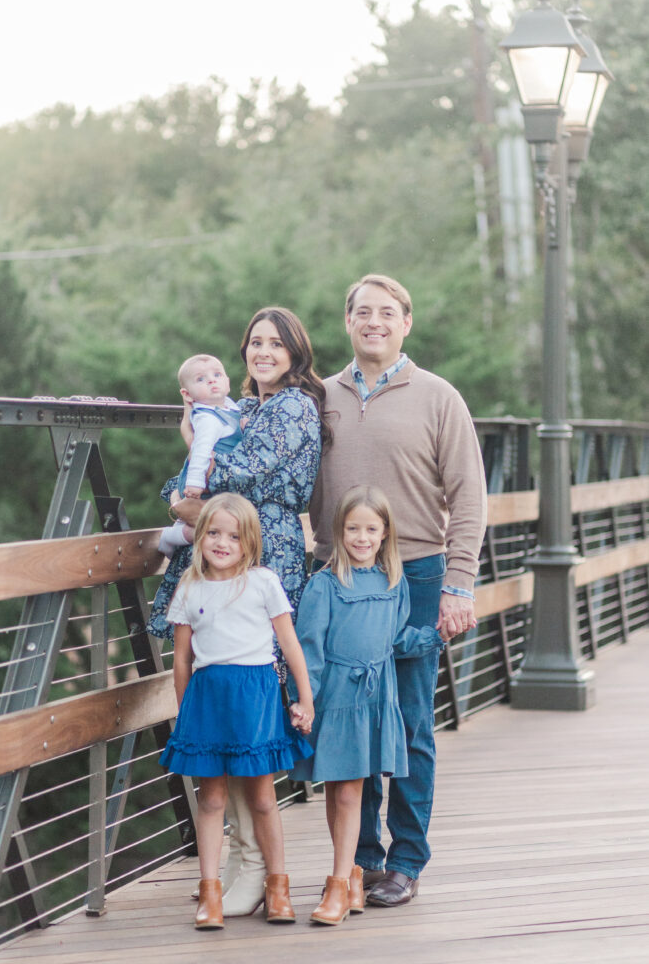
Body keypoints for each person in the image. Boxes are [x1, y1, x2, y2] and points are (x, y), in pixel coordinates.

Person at [309, 274, 487, 908]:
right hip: (340, 578)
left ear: (406, 323)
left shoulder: (439, 397)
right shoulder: (320, 396)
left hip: (416, 574)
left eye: (387, 312)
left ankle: (406, 860)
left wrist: (459, 584)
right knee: (350, 720)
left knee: (409, 725)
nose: (374, 321)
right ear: (347, 321)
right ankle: (358, 861)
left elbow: (468, 498)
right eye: (363, 311)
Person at [148, 307, 328, 915]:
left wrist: (190, 490)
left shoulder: (296, 406)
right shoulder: (243, 407)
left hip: (265, 548)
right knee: (215, 672)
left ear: (295, 352)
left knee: (261, 688)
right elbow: (189, 484)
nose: (263, 353)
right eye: (254, 342)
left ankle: (255, 866)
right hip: (223, 547)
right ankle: (238, 858)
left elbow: (238, 473)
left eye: (276, 344)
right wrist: (183, 493)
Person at [289, 485, 445, 926]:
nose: (361, 537)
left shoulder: (394, 584)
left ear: (384, 534)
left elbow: (397, 640)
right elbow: (309, 648)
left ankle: (342, 883)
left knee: (353, 788)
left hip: (376, 701)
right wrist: (304, 700)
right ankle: (351, 873)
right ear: (339, 532)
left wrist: (437, 635)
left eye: (371, 529)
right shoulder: (324, 585)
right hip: (337, 700)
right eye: (353, 528)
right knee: (338, 788)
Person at [159, 493, 315, 930]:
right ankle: (209, 891)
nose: (222, 543)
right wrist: (185, 713)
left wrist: (305, 698)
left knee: (263, 797)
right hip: (208, 699)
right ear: (200, 537)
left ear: (249, 542)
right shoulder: (189, 587)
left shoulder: (263, 582)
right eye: (213, 533)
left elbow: (289, 645)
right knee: (210, 798)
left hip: (256, 697)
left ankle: (278, 889)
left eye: (234, 535)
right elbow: (181, 661)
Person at [158, 353, 243, 558]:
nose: (212, 380)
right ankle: (173, 536)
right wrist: (195, 483)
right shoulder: (207, 419)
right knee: (211, 528)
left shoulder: (229, 407)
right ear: (188, 395)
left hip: (215, 479)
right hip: (200, 483)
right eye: (201, 379)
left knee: (219, 526)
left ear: (228, 383)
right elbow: (200, 451)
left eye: (217, 375)